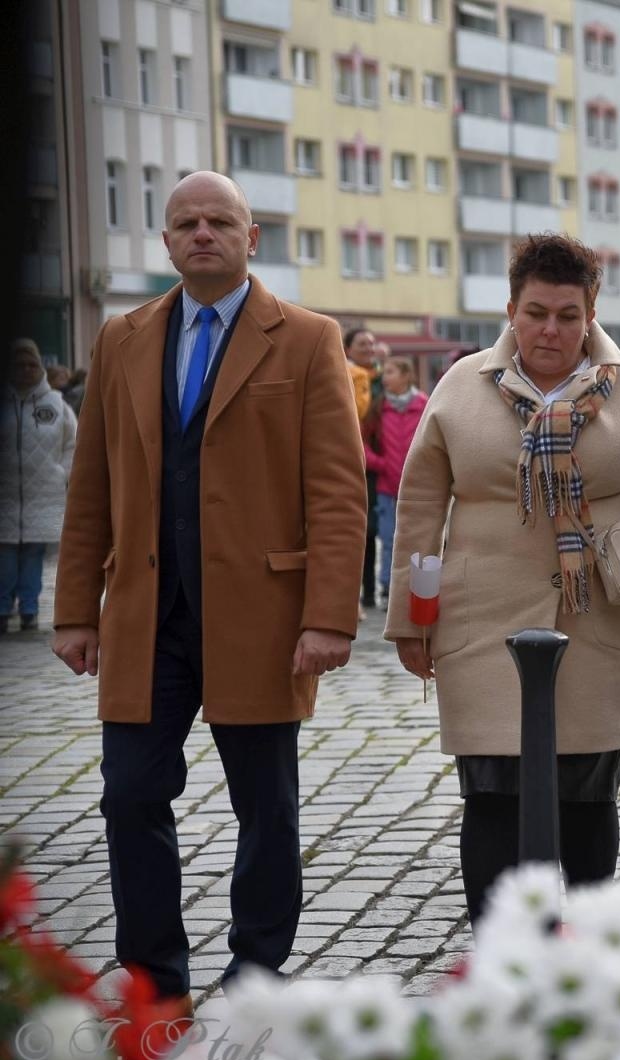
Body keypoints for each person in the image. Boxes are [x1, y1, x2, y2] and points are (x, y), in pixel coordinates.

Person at [51, 172, 367, 1014]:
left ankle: (255, 971)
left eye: (219, 221)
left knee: (266, 808)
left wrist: (329, 616)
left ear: (250, 237)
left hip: (260, 620)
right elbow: (91, 485)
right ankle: (155, 977)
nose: (202, 234)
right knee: (129, 795)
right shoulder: (123, 338)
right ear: (165, 243)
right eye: (185, 223)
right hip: (145, 617)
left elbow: (337, 491)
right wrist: (76, 609)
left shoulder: (304, 339)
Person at [384, 233, 620, 924]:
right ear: (511, 311)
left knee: (587, 799)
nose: (550, 329)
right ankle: (500, 954)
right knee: (492, 797)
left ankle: (587, 953)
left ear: (590, 315)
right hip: (480, 625)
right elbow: (420, 507)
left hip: (600, 623)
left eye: (566, 314)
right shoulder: (461, 386)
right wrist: (412, 618)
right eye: (535, 313)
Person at [2, 340, 77, 633]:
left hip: (42, 494)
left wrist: (64, 474)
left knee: (32, 554)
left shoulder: (56, 405)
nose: (25, 370)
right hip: (6, 495)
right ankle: (3, 607)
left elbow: (74, 444)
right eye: (19, 365)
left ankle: (30, 609)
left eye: (31, 364)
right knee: (5, 558)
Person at [365, 357, 427, 607]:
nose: (385, 376)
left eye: (390, 371)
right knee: (389, 539)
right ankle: (389, 588)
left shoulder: (424, 404)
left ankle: (417, 589)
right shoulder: (378, 407)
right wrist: (380, 464)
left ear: (406, 375)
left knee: (419, 540)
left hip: (418, 487)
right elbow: (362, 443)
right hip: (386, 488)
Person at [344, 327, 382, 613]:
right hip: (356, 458)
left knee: (378, 529)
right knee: (360, 528)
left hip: (384, 462)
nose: (368, 347)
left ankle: (371, 592)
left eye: (371, 343)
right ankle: (356, 594)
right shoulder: (347, 375)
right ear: (348, 349)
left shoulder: (383, 377)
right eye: (361, 343)